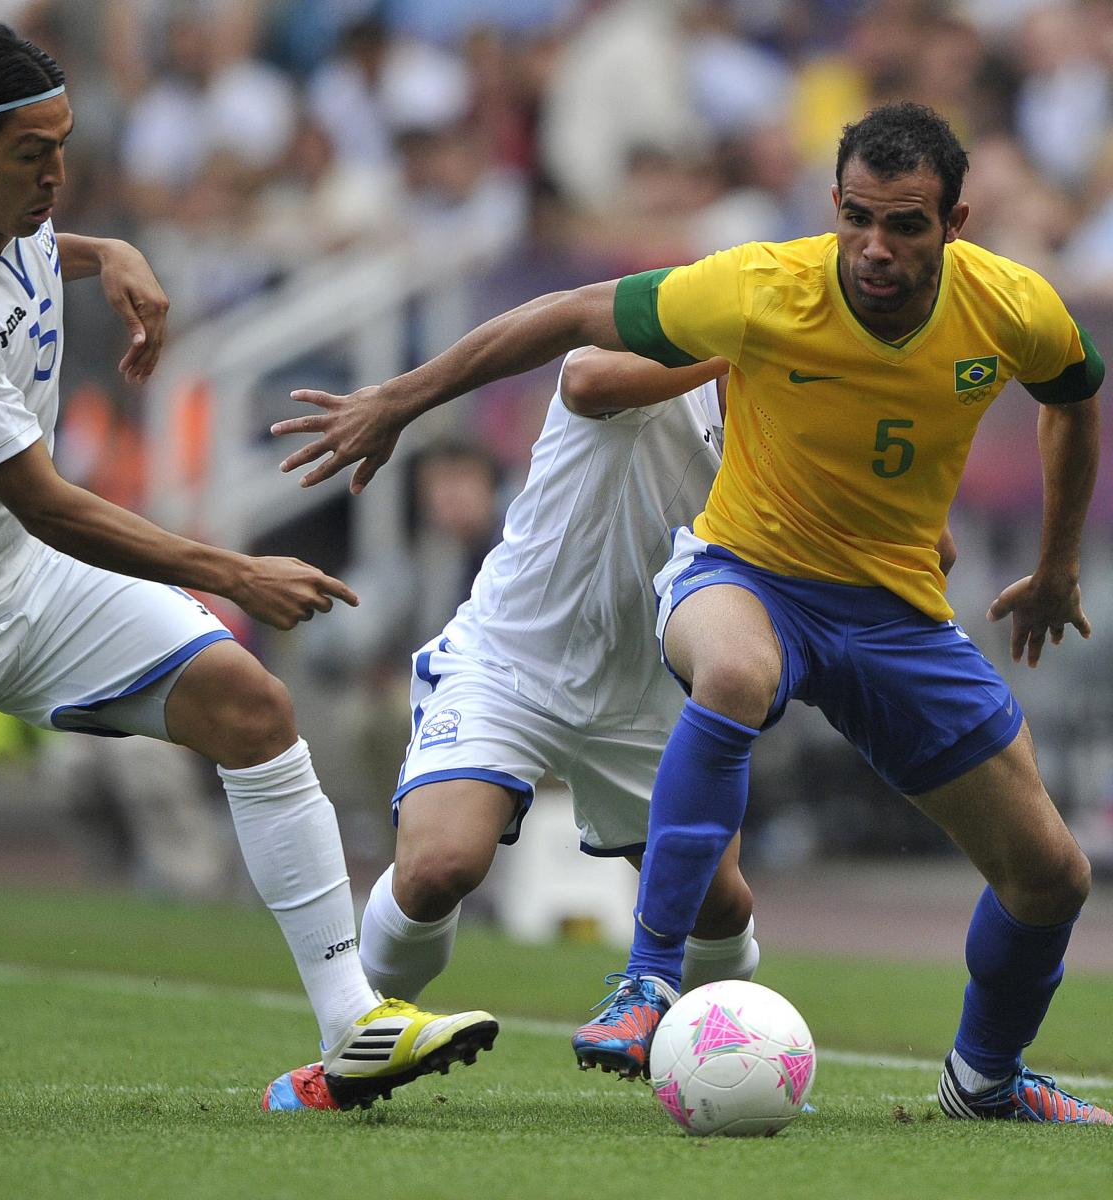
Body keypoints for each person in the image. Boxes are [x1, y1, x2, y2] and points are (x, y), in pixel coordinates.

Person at [273, 102, 1108, 1124]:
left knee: (1050, 874)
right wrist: (399, 399)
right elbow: (581, 358)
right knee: (456, 855)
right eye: (856, 220)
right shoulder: (750, 310)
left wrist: (1053, 562)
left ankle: (977, 1077)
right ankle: (397, 1029)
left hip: (806, 640)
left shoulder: (1007, 309)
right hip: (588, 636)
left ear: (955, 222)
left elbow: (1058, 400)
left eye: (905, 226)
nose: (874, 250)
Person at [0, 19, 496, 1115]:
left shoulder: (7, 222)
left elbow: (43, 251)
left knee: (248, 703)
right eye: (29, 154)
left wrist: (109, 255)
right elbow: (47, 504)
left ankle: (355, 1025)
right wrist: (233, 572)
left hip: (23, 587)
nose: (56, 175)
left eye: (66, 145)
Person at [266, 348, 770, 1108]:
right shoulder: (674, 352)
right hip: (515, 660)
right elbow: (584, 376)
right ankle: (347, 1053)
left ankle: (717, 1058)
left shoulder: (798, 434)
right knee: (438, 868)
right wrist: (728, 350)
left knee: (721, 905)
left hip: (651, 694)